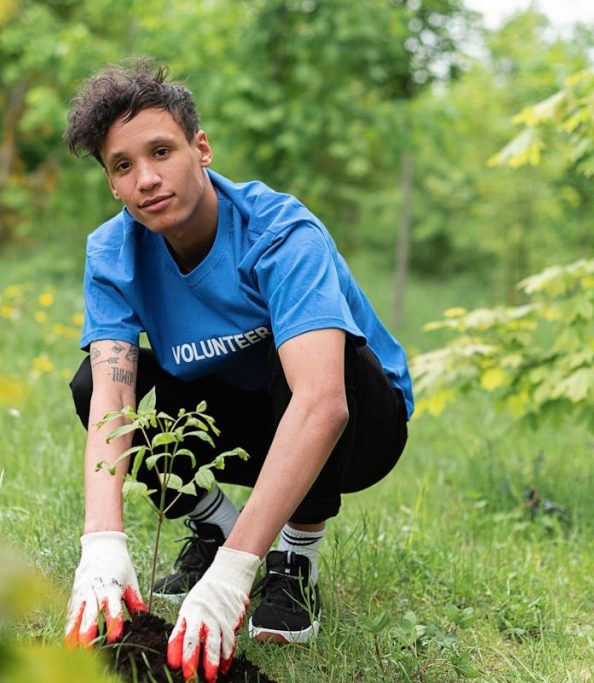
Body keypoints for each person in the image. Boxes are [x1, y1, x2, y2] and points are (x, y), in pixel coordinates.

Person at [62, 59, 413, 682]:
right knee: (94, 382)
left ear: (200, 148)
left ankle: (293, 560)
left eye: (161, 151)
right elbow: (111, 405)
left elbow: (323, 403)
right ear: (112, 184)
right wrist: (102, 544)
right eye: (123, 166)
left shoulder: (280, 232)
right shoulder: (111, 252)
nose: (146, 178)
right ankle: (212, 521)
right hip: (230, 412)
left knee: (320, 370)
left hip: (357, 428)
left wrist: (234, 573)